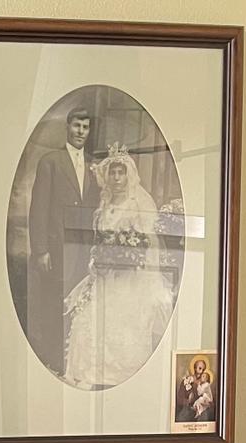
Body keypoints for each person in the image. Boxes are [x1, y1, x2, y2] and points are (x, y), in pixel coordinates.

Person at [63, 144, 175, 389]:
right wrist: (98, 261)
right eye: (112, 173)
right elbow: (99, 241)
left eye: (120, 173)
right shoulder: (104, 205)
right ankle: (87, 372)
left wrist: (126, 260)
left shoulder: (137, 205)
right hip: (103, 276)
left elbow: (147, 245)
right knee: (86, 318)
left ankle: (119, 378)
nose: (116, 178)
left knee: (123, 326)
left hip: (129, 279)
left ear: (128, 175)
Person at [27, 107, 100, 375]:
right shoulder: (51, 161)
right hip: (57, 247)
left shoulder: (94, 166)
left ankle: (73, 359)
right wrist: (41, 250)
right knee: (55, 302)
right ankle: (54, 360)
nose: (81, 132)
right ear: (67, 127)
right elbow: (39, 208)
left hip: (82, 249)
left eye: (86, 127)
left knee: (79, 302)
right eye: (77, 126)